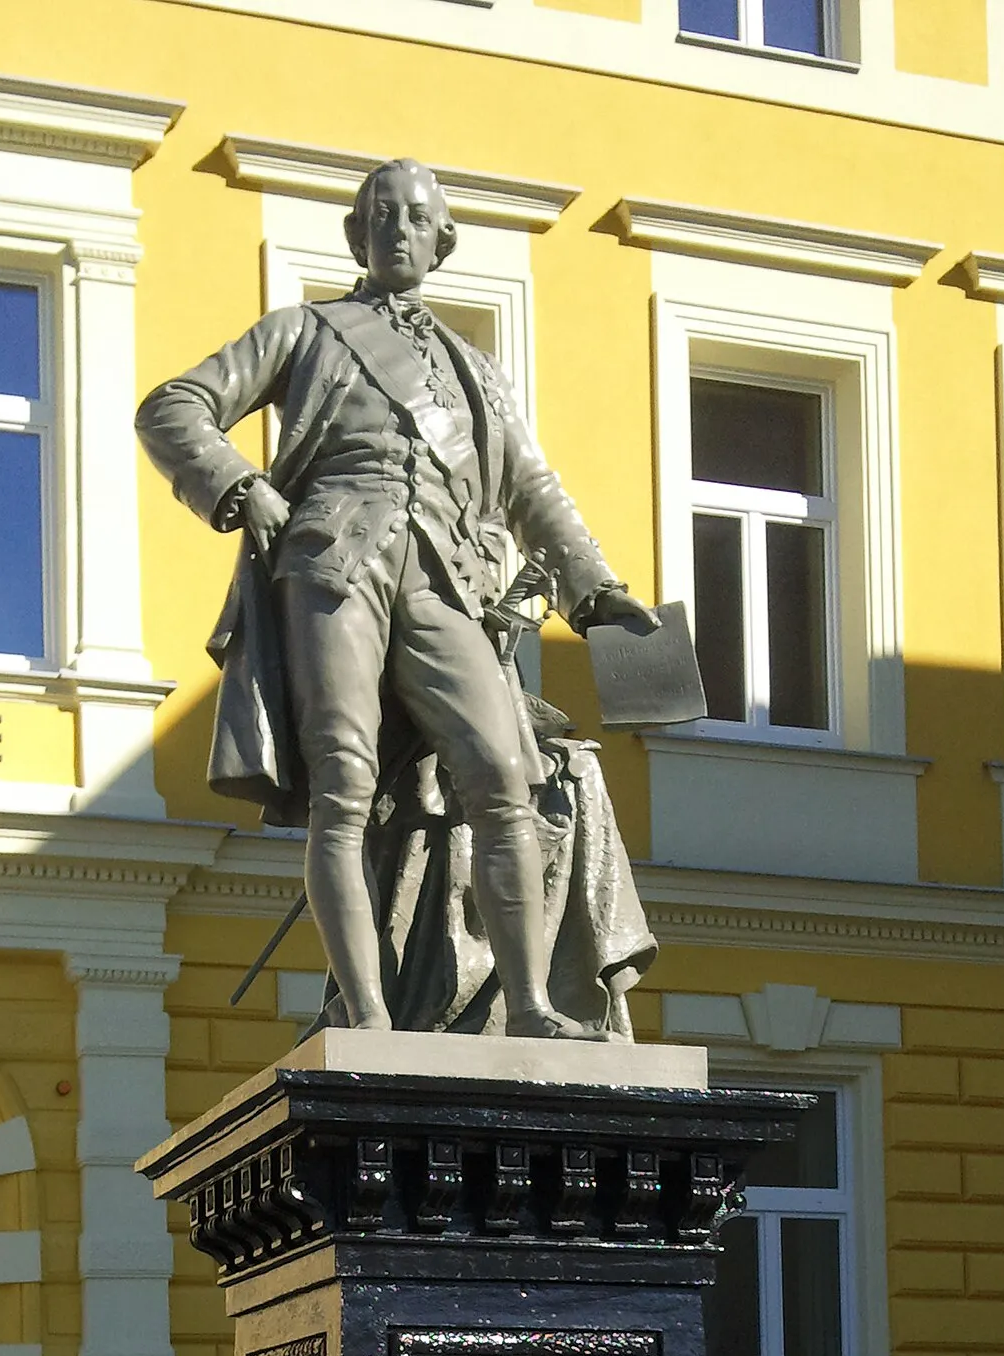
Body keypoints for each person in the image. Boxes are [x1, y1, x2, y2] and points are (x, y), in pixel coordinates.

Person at [136, 157, 659, 1040]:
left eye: (417, 218)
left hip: (446, 577)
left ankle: (530, 1005)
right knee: (342, 782)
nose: (399, 231)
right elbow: (173, 406)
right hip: (334, 559)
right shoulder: (304, 331)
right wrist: (240, 486)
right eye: (381, 216)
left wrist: (596, 587)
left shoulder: (479, 376)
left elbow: (532, 489)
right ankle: (368, 1015)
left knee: (503, 773)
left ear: (442, 241)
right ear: (357, 236)